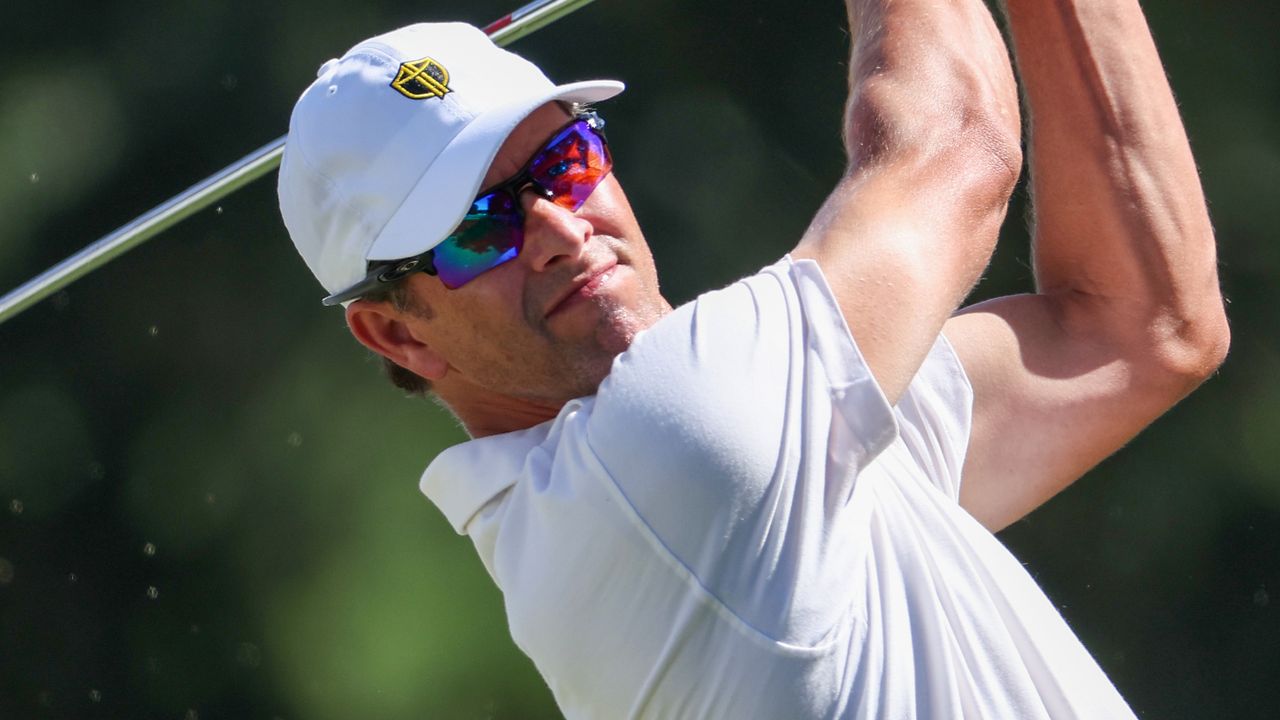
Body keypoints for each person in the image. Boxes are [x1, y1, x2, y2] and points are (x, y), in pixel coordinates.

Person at [277, 0, 1228, 717]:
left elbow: (1139, 329)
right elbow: (956, 148)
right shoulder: (666, 452)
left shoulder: (739, 458)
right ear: (396, 335)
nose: (562, 229)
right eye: (480, 228)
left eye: (563, 162)